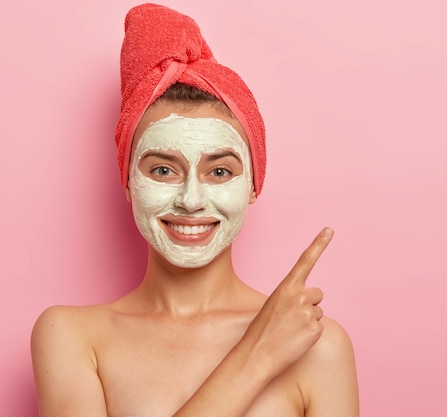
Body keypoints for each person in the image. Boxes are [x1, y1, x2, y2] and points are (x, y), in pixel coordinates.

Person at [30, 4, 359, 417]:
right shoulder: (72, 337)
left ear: (253, 185)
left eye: (219, 170)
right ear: (128, 182)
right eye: (163, 169)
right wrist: (254, 358)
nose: (190, 199)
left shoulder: (318, 345)